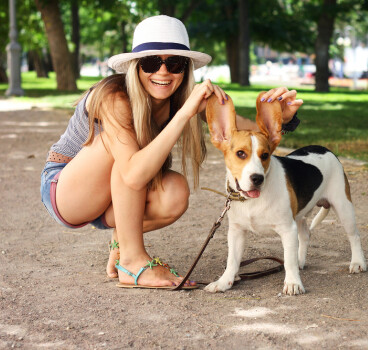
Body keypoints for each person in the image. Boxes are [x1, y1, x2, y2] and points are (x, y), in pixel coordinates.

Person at [40, 15, 303, 289]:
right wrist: (186, 112)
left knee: (176, 191)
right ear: (135, 66)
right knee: (121, 151)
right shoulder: (114, 96)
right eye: (151, 62)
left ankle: (123, 244)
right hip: (66, 190)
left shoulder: (181, 96)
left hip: (113, 197)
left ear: (186, 68)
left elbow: (243, 134)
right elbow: (131, 172)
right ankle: (133, 263)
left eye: (174, 63)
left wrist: (282, 119)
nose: (163, 72)